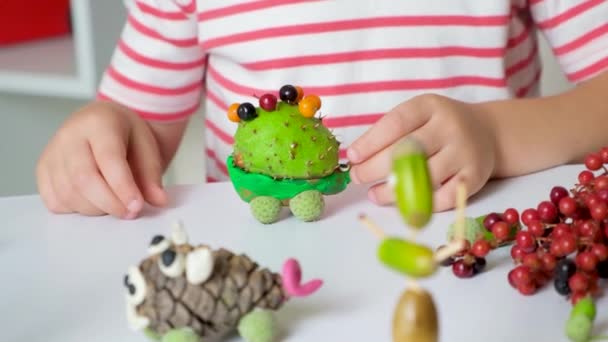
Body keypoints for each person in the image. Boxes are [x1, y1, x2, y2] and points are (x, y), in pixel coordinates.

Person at [36, 0, 608, 219]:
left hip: (478, 259)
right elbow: (132, 133)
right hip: (272, 280)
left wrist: (495, 136)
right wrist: (97, 137)